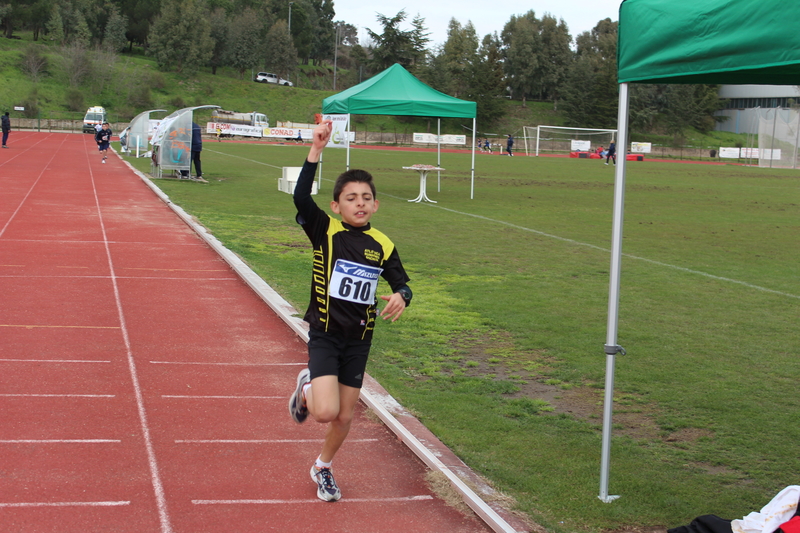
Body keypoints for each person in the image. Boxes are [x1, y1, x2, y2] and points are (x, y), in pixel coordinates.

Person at [288, 120, 412, 502]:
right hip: (326, 334)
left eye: (365, 197)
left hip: (360, 339)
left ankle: (323, 467)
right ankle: (307, 387)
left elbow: (402, 282)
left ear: (376, 204)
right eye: (351, 197)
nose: (359, 203)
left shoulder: (383, 243)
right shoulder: (324, 230)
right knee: (325, 412)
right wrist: (316, 151)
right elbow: (299, 198)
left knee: (344, 417)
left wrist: (401, 296)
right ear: (336, 205)